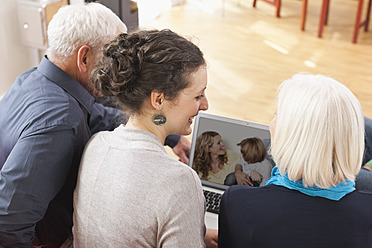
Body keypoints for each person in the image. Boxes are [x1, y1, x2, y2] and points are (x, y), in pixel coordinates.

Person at [0, 3, 190, 247]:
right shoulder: (59, 122)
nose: (118, 69)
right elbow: (8, 225)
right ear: (85, 57)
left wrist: (169, 133)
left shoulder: (33, 79)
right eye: (112, 58)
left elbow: (99, 115)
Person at [73, 29, 218, 247]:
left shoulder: (96, 145)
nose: (205, 105)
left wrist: (194, 232)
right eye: (198, 96)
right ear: (158, 99)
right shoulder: (179, 182)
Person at [218, 73, 372, 248]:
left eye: (276, 115)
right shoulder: (367, 210)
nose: (271, 123)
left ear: (290, 135)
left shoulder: (238, 202)